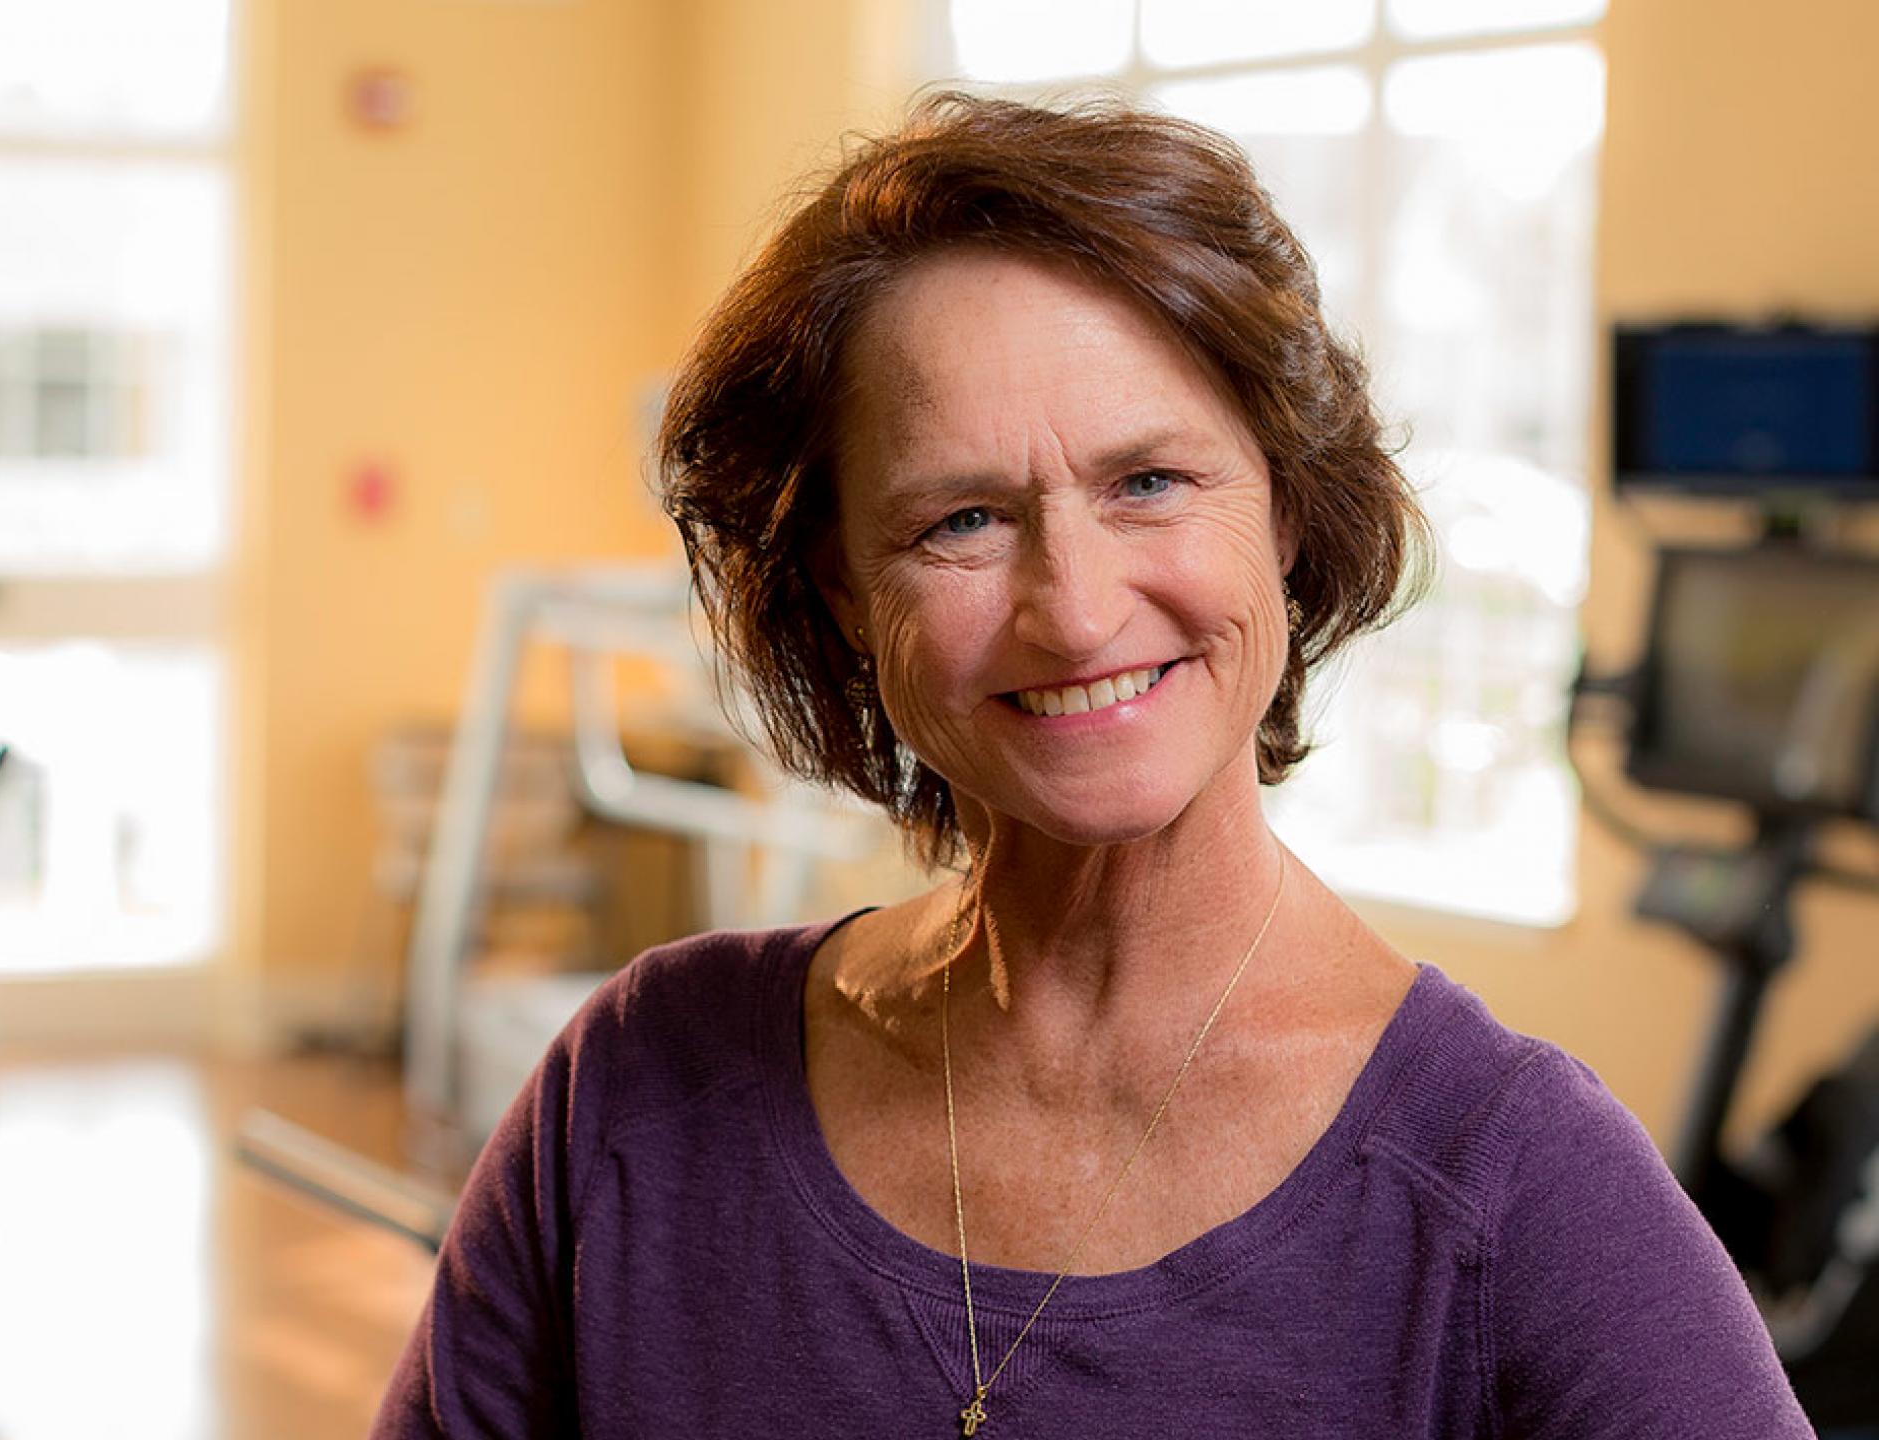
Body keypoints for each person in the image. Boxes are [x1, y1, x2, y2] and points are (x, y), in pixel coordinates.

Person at [371, 95, 1812, 1437]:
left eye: (1151, 483)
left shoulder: (1516, 1190)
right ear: (838, 594)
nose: (1074, 609)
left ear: (1290, 513)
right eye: (962, 520)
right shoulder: (634, 1096)